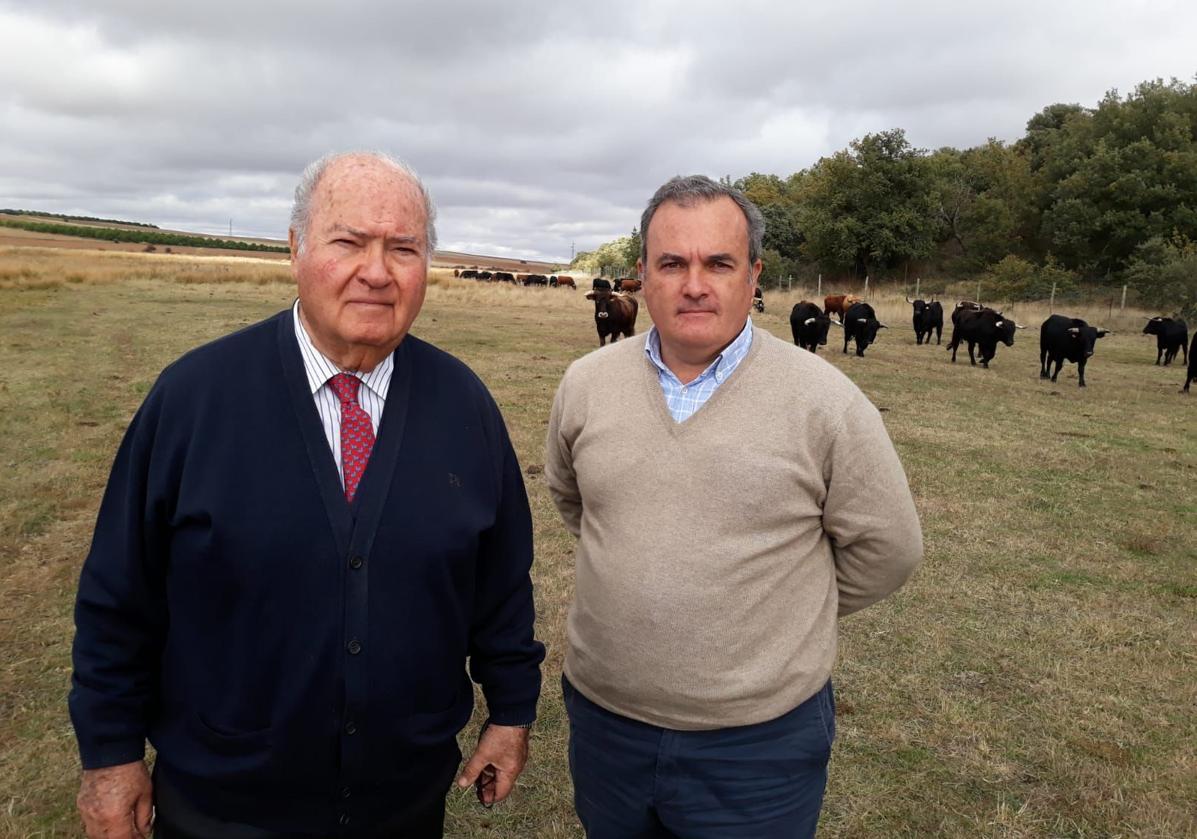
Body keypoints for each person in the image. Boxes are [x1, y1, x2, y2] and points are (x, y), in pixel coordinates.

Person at [69, 151, 544, 839]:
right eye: (348, 241)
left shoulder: (462, 404)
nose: (376, 272)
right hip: (221, 805)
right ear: (295, 248)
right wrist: (110, 757)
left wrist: (510, 710)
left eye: (403, 248)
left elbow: (500, 584)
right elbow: (119, 594)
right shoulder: (194, 399)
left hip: (402, 805)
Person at [545, 175, 922, 838]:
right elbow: (574, 500)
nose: (694, 284)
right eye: (672, 263)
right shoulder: (585, 383)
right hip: (607, 726)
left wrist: (775, 613)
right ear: (642, 275)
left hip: (755, 744)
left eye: (718, 263)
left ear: (753, 276)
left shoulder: (824, 401)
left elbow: (888, 548)